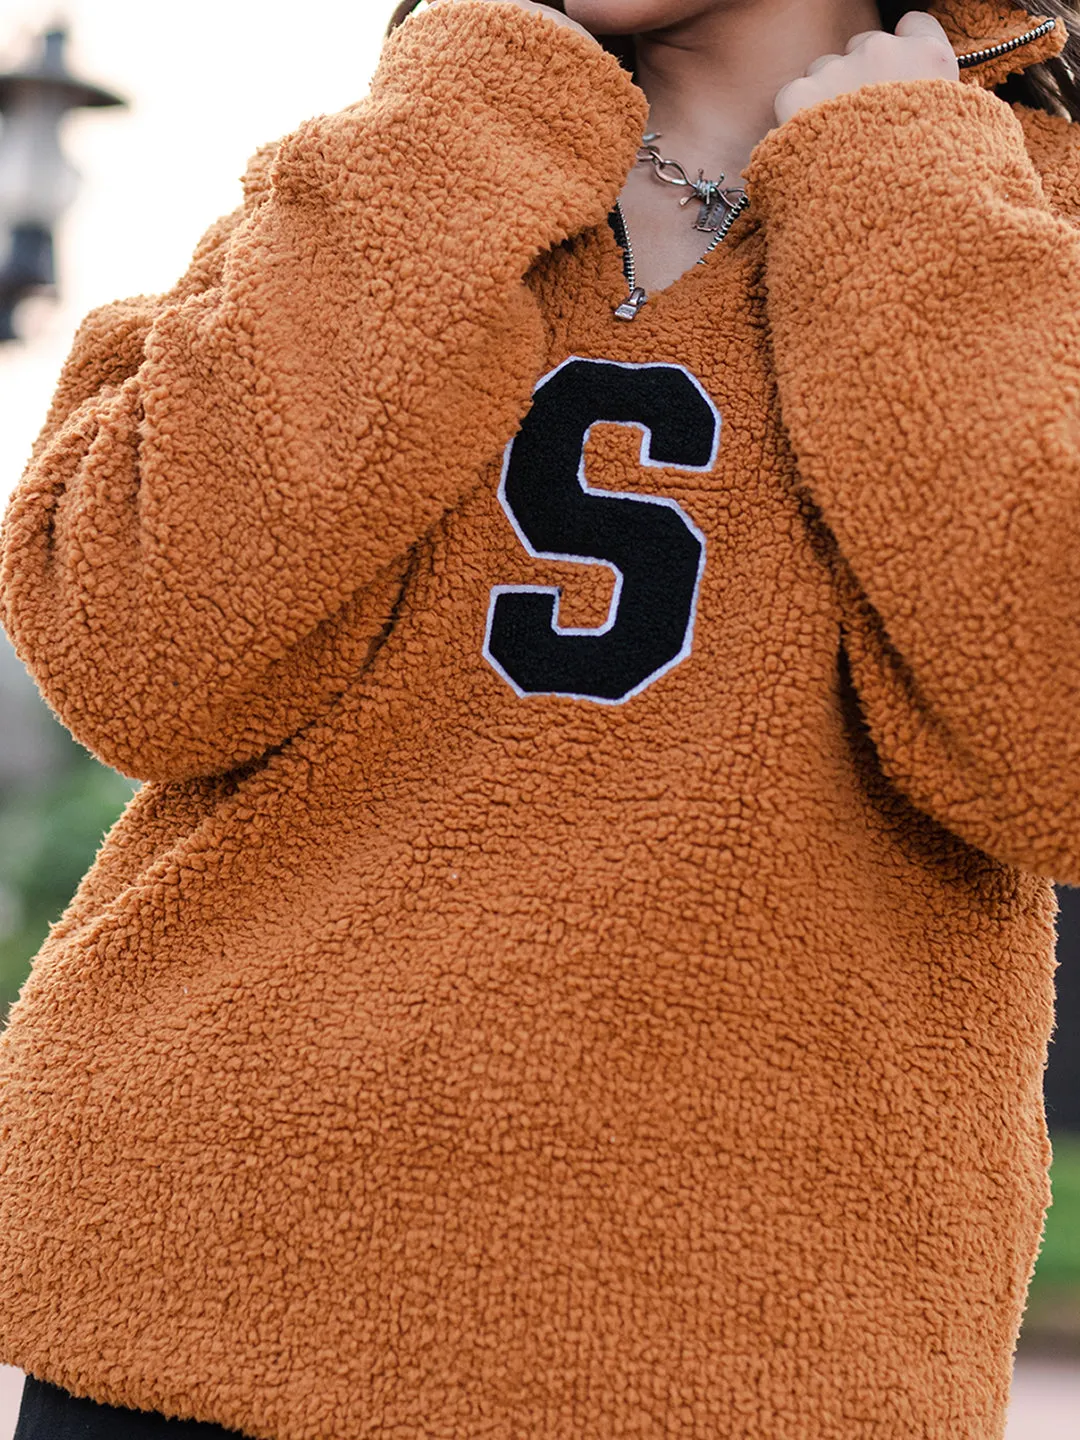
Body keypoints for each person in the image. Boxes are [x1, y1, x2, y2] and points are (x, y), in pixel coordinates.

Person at [0, 0, 1077, 1435]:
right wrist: (475, 109)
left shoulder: (1026, 220)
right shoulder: (424, 152)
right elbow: (137, 654)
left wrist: (900, 180)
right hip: (175, 1302)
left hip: (743, 1354)